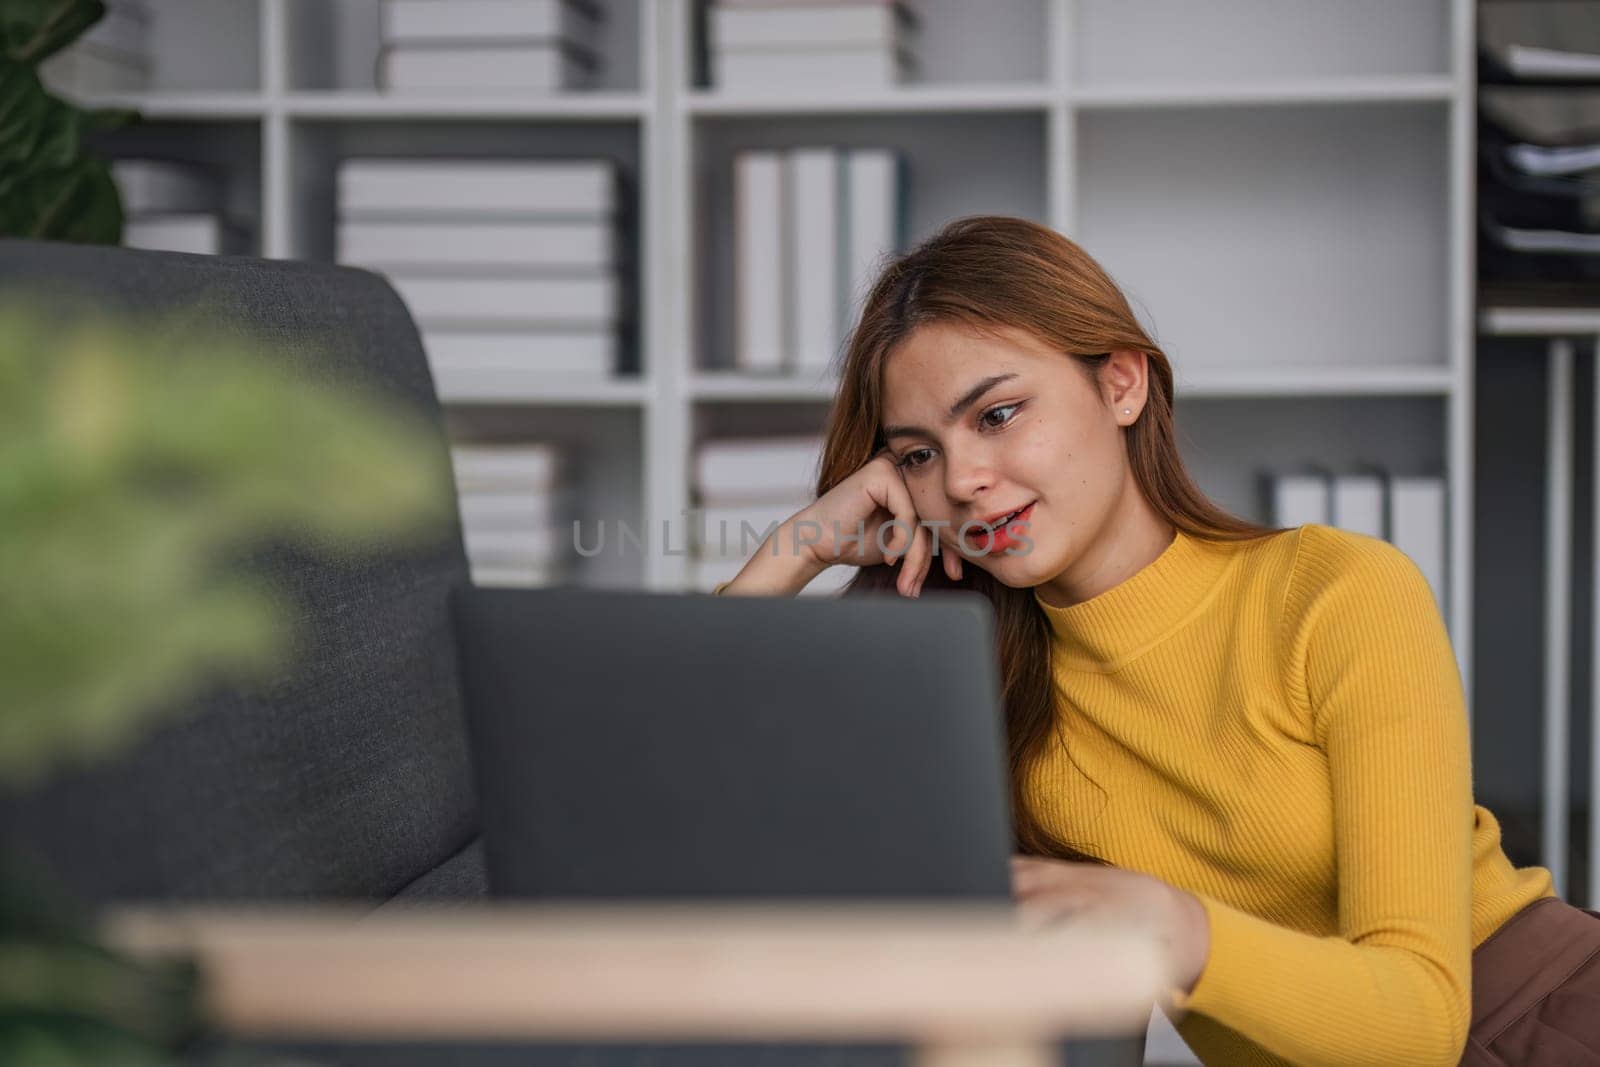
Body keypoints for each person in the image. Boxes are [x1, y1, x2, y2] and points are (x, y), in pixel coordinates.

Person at [715, 216, 1600, 1066]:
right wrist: (797, 550)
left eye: (996, 415)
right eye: (915, 455)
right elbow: (679, 790)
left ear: (1122, 383)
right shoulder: (987, 699)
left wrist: (1177, 927)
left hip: (1538, 1021)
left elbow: (1419, 1026)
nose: (964, 481)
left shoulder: (1334, 591)